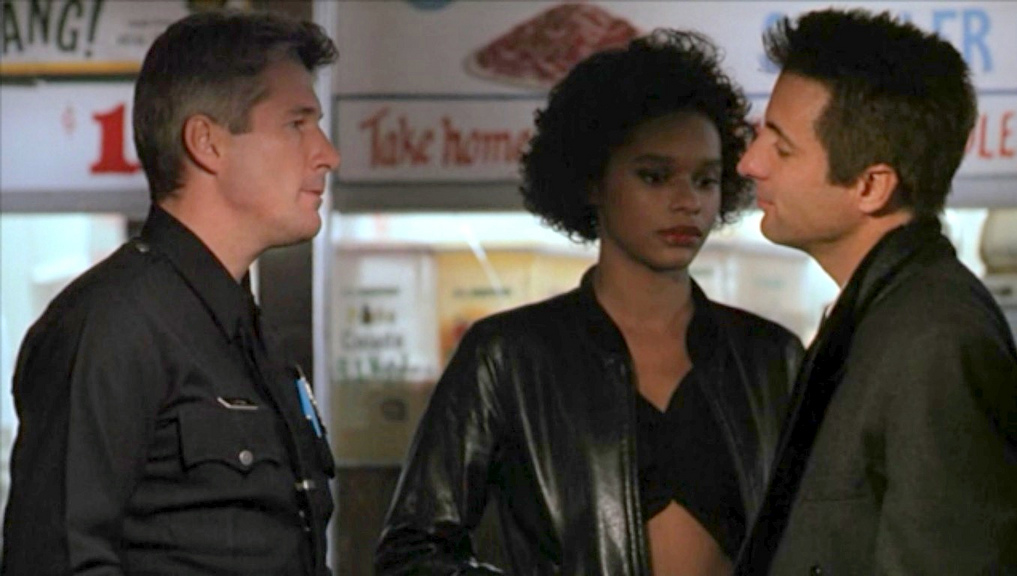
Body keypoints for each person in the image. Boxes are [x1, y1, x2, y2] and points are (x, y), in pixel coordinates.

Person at [375, 30, 803, 576]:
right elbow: (413, 551)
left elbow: (826, 537)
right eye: (654, 176)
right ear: (593, 182)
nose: (687, 202)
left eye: (705, 179)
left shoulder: (770, 359)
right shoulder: (508, 357)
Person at [2, 10, 341, 575]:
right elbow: (57, 559)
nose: (327, 153)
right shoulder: (114, 324)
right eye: (296, 124)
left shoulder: (247, 334)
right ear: (207, 142)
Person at [733, 8, 1017, 575]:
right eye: (760, 133)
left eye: (782, 148)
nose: (750, 163)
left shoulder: (935, 340)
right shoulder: (878, 316)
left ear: (870, 186)